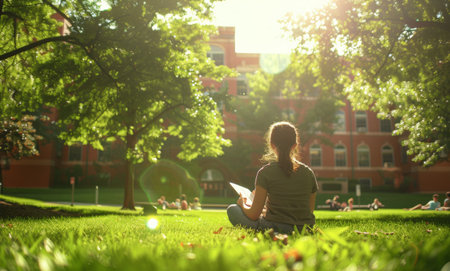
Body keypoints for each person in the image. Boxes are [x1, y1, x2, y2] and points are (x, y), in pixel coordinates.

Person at [227, 121, 318, 234]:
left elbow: (253, 215)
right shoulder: (308, 173)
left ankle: (269, 232)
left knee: (232, 209)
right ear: (295, 145)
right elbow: (309, 211)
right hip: (305, 229)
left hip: (274, 227)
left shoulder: (265, 172)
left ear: (271, 144)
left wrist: (242, 204)